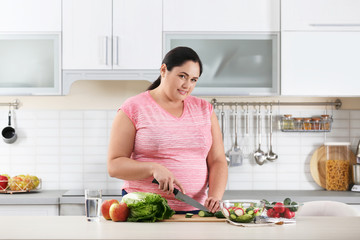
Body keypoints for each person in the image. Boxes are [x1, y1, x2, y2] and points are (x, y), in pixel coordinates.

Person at [107, 46, 228, 213]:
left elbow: (218, 161)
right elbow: (114, 166)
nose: (187, 85)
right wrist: (153, 168)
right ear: (163, 70)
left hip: (195, 209)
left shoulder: (204, 109)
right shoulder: (134, 108)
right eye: (182, 76)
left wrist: (215, 195)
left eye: (194, 79)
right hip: (146, 210)